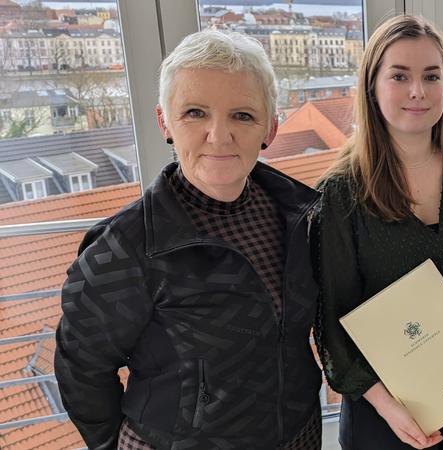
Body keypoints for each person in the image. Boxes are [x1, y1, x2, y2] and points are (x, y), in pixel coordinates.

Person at [54, 29, 322, 449]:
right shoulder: (125, 247)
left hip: (298, 435)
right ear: (164, 121)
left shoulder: (300, 214)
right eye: (195, 112)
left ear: (269, 129)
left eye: (243, 115)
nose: (219, 135)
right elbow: (81, 369)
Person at [311, 15, 443, 450]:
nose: (418, 91)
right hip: (384, 408)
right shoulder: (341, 192)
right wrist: (387, 406)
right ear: (372, 87)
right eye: (399, 76)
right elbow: (332, 319)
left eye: (431, 76)